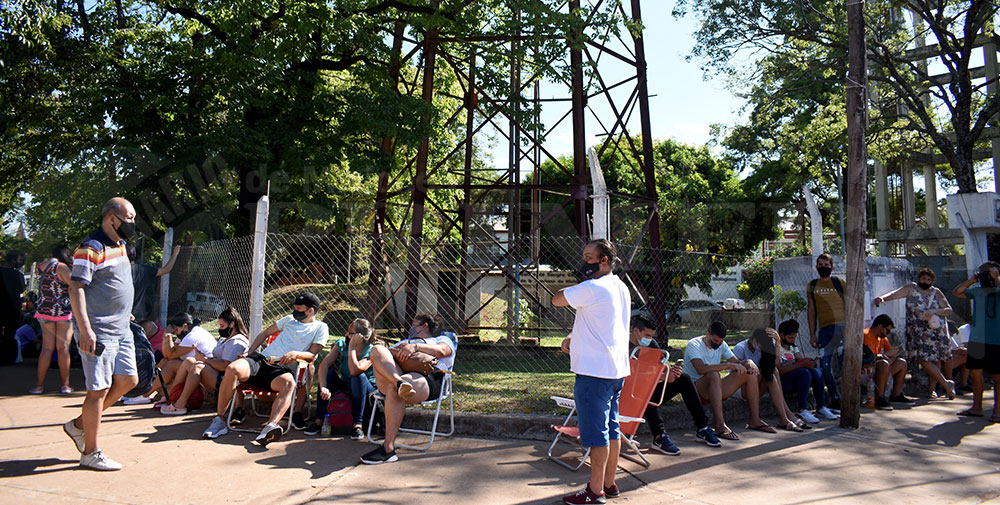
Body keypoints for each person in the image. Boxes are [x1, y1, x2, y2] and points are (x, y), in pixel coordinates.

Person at [547, 239, 630, 505]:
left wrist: (575, 286)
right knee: (612, 429)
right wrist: (574, 334)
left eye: (589, 256)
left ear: (604, 260)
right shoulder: (620, 287)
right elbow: (604, 322)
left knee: (596, 434)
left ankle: (595, 492)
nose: (584, 261)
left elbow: (557, 299)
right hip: (615, 370)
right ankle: (609, 483)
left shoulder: (593, 287)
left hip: (593, 373)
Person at [62, 197, 140, 471]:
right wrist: (85, 330)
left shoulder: (120, 245)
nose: (133, 223)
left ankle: (79, 425)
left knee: (129, 380)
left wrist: (124, 310)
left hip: (122, 329)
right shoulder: (90, 247)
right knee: (98, 389)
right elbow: (76, 288)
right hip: (99, 331)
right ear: (112, 219)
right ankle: (90, 452)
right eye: (129, 218)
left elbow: (113, 284)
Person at [202, 292, 329, 446]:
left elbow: (312, 355)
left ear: (310, 310)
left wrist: (296, 354)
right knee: (232, 368)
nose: (295, 310)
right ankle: (220, 420)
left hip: (281, 369)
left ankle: (270, 427)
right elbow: (266, 333)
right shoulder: (289, 319)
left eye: (299, 308)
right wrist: (250, 352)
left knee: (289, 384)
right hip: (262, 360)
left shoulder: (320, 327)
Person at [361, 312, 456, 465]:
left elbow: (443, 351)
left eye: (413, 325)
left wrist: (415, 347)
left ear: (424, 326)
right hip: (397, 376)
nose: (410, 328)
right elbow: (382, 358)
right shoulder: (405, 341)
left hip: (427, 378)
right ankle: (398, 382)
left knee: (395, 389)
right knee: (377, 350)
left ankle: (388, 449)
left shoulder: (441, 339)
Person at [626, 313, 721, 455]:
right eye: (646, 335)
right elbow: (627, 377)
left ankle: (702, 428)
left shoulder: (652, 344)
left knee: (684, 379)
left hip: (649, 386)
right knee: (646, 392)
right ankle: (659, 436)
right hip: (628, 394)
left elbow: (662, 367)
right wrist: (661, 377)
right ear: (635, 331)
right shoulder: (622, 346)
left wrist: (671, 373)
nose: (649, 339)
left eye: (651, 336)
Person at [874, 267, 956, 399]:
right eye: (923, 278)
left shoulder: (936, 292)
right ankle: (946, 384)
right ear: (919, 279)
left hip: (936, 333)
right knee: (924, 360)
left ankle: (932, 389)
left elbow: (948, 310)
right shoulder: (912, 288)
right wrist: (882, 299)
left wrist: (935, 311)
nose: (926, 281)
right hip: (917, 332)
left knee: (935, 361)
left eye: (929, 279)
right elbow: (895, 294)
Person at [683, 321, 772, 441]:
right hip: (695, 389)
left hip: (714, 389)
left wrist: (748, 362)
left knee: (749, 373)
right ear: (707, 334)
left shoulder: (722, 344)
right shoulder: (694, 344)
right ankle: (720, 426)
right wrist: (727, 365)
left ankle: (755, 420)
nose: (718, 344)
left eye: (720, 341)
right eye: (715, 341)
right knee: (714, 374)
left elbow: (737, 363)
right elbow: (701, 369)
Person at [160, 306, 250, 415]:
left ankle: (180, 404)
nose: (220, 329)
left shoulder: (235, 342)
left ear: (232, 324)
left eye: (222, 326)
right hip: (218, 373)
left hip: (227, 379)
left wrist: (204, 359)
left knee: (197, 366)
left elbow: (225, 366)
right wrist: (204, 359)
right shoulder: (224, 339)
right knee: (189, 361)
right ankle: (172, 397)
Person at [305, 318, 378, 440]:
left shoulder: (372, 350)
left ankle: (357, 425)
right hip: (346, 383)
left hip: (366, 388)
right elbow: (324, 364)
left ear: (360, 337)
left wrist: (352, 347)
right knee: (329, 373)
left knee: (357, 376)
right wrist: (323, 386)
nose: (346, 335)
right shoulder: (342, 344)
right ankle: (318, 421)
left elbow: (355, 370)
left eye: (350, 333)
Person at [125, 312, 217, 405]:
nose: (175, 333)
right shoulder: (186, 334)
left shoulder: (193, 335)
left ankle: (145, 394)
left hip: (205, 369)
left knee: (171, 364)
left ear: (185, 326)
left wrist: (168, 334)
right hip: (195, 366)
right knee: (165, 361)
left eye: (176, 330)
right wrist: (166, 334)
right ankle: (145, 389)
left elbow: (170, 355)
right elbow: (167, 355)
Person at [733, 328, 807, 431]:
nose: (760, 348)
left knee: (773, 372)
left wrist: (777, 344)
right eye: (759, 345)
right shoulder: (740, 348)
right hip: (742, 388)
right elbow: (736, 374)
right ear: (754, 340)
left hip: (756, 387)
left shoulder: (763, 347)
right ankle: (787, 416)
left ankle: (784, 418)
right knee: (769, 373)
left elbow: (776, 365)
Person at [953, 262, 1000, 421]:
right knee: (975, 374)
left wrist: (997, 278)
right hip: (977, 341)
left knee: (997, 378)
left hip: (996, 341)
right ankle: (977, 408)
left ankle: (998, 411)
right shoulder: (977, 290)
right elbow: (957, 292)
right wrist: (972, 280)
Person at [30, 244, 75, 394]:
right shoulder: (62, 267)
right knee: (63, 348)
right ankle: (65, 385)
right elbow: (74, 285)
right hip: (62, 311)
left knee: (46, 348)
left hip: (44, 310)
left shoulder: (40, 266)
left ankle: (38, 386)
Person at [776, 319, 837, 423]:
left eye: (794, 337)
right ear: (782, 335)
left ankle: (821, 407)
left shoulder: (793, 347)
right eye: (790, 337)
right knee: (804, 373)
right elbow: (779, 370)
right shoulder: (776, 347)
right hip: (783, 381)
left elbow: (799, 361)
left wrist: (808, 362)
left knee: (817, 372)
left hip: (797, 378)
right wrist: (799, 364)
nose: (793, 340)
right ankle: (802, 409)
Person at [806, 253, 843, 411]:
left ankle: (849, 399)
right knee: (825, 367)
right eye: (820, 265)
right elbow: (812, 310)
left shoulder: (839, 283)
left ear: (832, 267)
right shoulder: (812, 285)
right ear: (816, 267)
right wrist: (812, 333)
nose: (823, 268)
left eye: (826, 265)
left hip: (842, 329)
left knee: (844, 365)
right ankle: (835, 398)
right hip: (825, 331)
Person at [863, 314, 914, 410]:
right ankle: (880, 397)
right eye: (888, 330)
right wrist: (885, 356)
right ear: (880, 326)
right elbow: (869, 358)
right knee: (883, 364)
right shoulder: (866, 335)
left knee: (901, 363)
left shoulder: (882, 338)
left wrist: (892, 356)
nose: (888, 333)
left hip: (881, 368)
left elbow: (889, 353)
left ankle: (896, 395)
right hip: (868, 370)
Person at [126, 242, 181, 323]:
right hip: (140, 316)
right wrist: (175, 254)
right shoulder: (144, 270)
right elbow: (166, 270)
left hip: (123, 314)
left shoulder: (119, 271)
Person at [0, 250, 26, 364]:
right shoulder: (18, 275)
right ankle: (8, 359)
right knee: (10, 334)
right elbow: (22, 289)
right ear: (13, 260)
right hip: (13, 307)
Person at [945, 324, 971, 395]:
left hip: (953, 358)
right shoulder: (942, 336)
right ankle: (949, 385)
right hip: (944, 359)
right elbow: (950, 350)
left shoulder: (950, 337)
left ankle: (963, 383)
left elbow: (956, 348)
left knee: (967, 357)